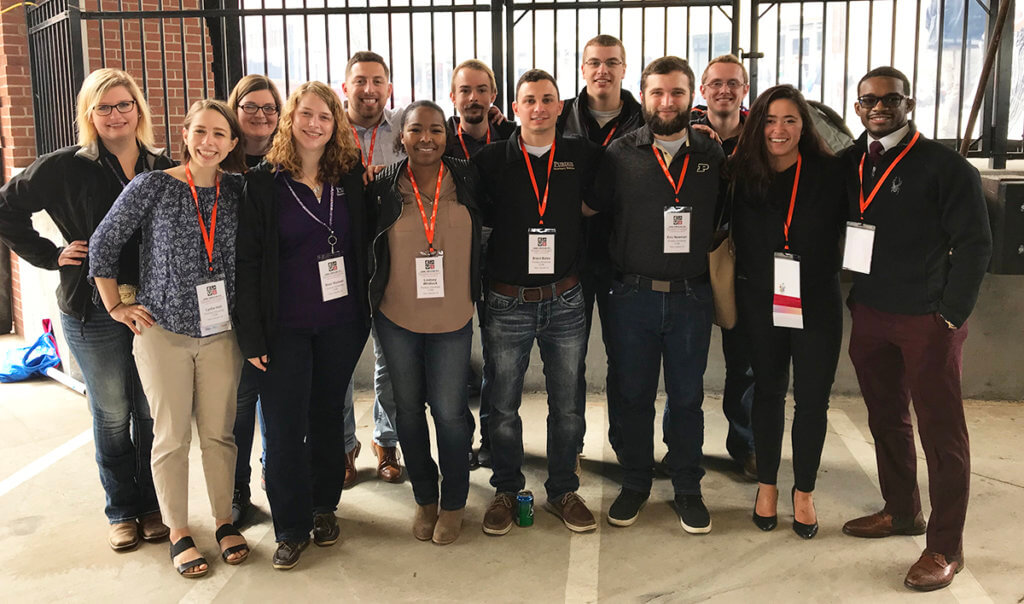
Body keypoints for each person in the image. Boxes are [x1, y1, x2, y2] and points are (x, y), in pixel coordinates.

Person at [0, 68, 171, 552]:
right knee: (113, 412)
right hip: (91, 309)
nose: (116, 115)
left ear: (138, 109)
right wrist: (50, 253)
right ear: (89, 115)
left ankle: (154, 506)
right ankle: (121, 509)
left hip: (152, 308)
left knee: (151, 411)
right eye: (104, 107)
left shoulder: (163, 164)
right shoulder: (64, 166)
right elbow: (5, 208)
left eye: (124, 104)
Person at [839, 67, 991, 591]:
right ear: (856, 107)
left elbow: (975, 244)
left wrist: (951, 313)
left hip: (928, 318)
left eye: (889, 99)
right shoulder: (850, 161)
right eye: (868, 101)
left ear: (909, 103)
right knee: (886, 418)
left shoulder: (945, 167)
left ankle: (946, 546)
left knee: (942, 434)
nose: (878, 107)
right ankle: (901, 510)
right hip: (871, 312)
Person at [89, 99, 249, 577]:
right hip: (163, 332)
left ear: (233, 143)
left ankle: (223, 520)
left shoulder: (240, 190)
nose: (208, 142)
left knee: (220, 434)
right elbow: (104, 242)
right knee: (171, 435)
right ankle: (179, 530)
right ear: (185, 134)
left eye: (220, 134)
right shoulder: (153, 185)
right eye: (200, 131)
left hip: (223, 334)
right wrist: (116, 305)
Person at [235, 81, 371, 570]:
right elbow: (247, 265)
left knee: (328, 417)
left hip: (341, 324)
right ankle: (290, 527)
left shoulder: (349, 178)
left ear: (336, 126)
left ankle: (324, 508)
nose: (315, 124)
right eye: (306, 114)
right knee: (286, 427)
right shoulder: (263, 184)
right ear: (290, 120)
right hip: (284, 329)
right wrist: (251, 335)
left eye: (326, 117)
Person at [586, 56, 724, 534]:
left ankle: (687, 486)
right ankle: (636, 482)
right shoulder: (619, 155)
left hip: (691, 297)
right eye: (658, 93)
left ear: (692, 97)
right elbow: (597, 218)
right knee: (632, 395)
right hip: (631, 297)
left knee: (686, 397)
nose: (668, 102)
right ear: (642, 97)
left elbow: (725, 218)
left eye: (678, 93)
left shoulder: (712, 155)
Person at [473, 69, 602, 536]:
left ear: (561, 106)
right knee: (502, 403)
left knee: (567, 403)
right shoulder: (491, 160)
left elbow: (595, 205)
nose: (539, 108)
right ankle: (506, 488)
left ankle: (564, 488)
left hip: (565, 299)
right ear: (515, 108)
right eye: (529, 100)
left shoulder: (582, 155)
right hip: (507, 302)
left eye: (548, 99)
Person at [728, 84, 845, 539]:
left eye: (790, 121)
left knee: (813, 400)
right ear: (757, 124)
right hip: (760, 300)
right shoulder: (741, 172)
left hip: (816, 301)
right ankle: (768, 486)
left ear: (804, 126)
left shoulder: (830, 173)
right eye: (770, 120)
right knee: (769, 393)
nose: (779, 130)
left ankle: (805, 492)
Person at [370, 100, 482, 545]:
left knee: (452, 414)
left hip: (453, 316)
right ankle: (425, 498)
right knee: (408, 412)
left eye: (436, 129)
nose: (426, 138)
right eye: (416, 129)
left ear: (448, 135)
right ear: (402, 136)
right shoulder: (380, 186)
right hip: (397, 317)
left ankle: (454, 501)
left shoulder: (470, 178)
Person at [557, 34, 644, 462]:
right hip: (569, 261)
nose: (602, 70)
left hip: (626, 261)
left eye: (612, 62)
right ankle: (569, 446)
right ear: (583, 69)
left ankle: (626, 447)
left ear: (625, 68)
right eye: (594, 62)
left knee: (624, 362)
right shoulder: (558, 119)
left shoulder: (648, 122)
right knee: (569, 364)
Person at [445, 59, 516, 469]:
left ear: (493, 95)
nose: (473, 98)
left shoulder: (511, 137)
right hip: (451, 260)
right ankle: (460, 443)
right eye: (465, 90)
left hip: (501, 258)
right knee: (453, 357)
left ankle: (490, 440)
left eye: (481, 90)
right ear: (453, 97)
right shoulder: (440, 142)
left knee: (496, 355)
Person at [340, 50, 405, 486]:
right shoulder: (325, 128)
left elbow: (444, 132)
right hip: (337, 259)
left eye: (377, 81)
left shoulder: (402, 126)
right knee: (340, 361)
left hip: (391, 257)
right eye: (360, 81)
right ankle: (343, 446)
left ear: (389, 88)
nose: (369, 89)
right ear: (345, 87)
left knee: (390, 360)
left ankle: (387, 442)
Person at [225, 73, 284, 524]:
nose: (261, 115)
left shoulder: (288, 163)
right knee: (240, 406)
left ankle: (273, 474)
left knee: (279, 404)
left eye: (269, 108)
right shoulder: (215, 161)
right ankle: (236, 491)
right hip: (228, 306)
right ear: (235, 109)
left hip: (281, 303)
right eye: (251, 107)